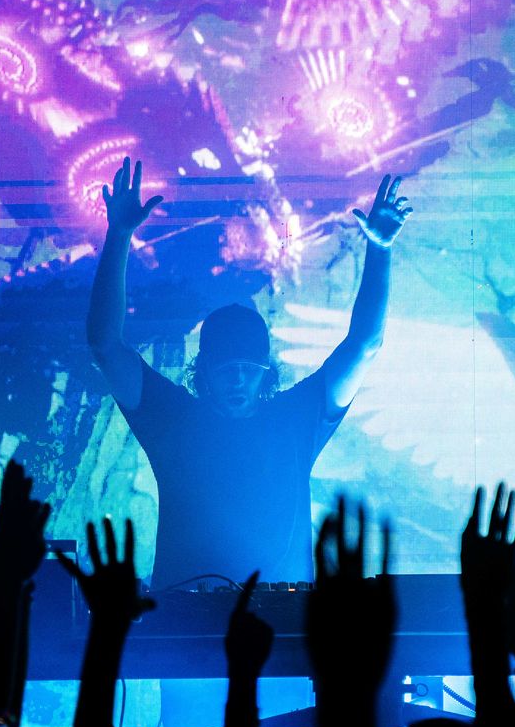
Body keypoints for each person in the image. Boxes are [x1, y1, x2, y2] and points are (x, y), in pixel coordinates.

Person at [87, 157, 410, 588]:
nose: (238, 379)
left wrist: (381, 251)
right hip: (188, 623)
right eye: (226, 369)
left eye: (248, 368)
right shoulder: (173, 419)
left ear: (265, 372)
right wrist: (119, 236)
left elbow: (365, 346)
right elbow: (105, 345)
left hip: (285, 625)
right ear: (203, 371)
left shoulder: (295, 419)